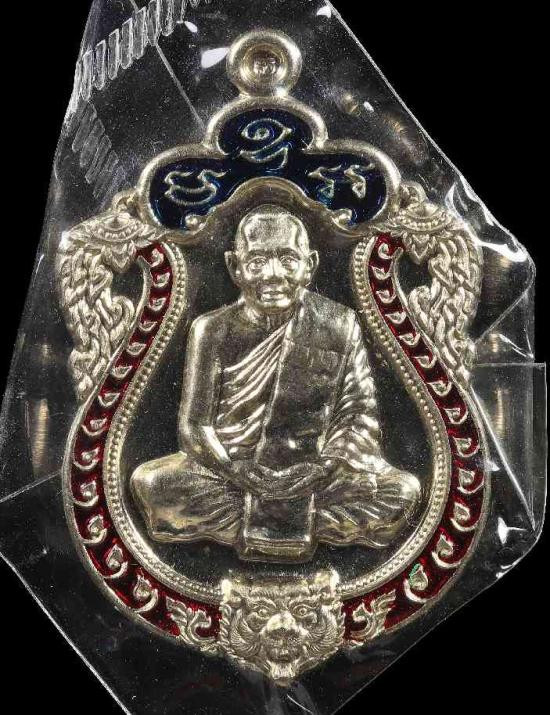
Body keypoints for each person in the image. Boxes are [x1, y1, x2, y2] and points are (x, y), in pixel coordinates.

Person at [131, 205, 420, 561]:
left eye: (287, 259)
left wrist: (325, 468)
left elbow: (358, 414)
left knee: (402, 491)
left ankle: (268, 518)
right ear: (235, 267)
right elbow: (195, 427)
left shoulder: (337, 323)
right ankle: (308, 522)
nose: (272, 275)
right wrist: (236, 469)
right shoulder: (211, 329)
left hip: (314, 476)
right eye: (256, 262)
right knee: (151, 484)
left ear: (309, 265)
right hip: (231, 475)